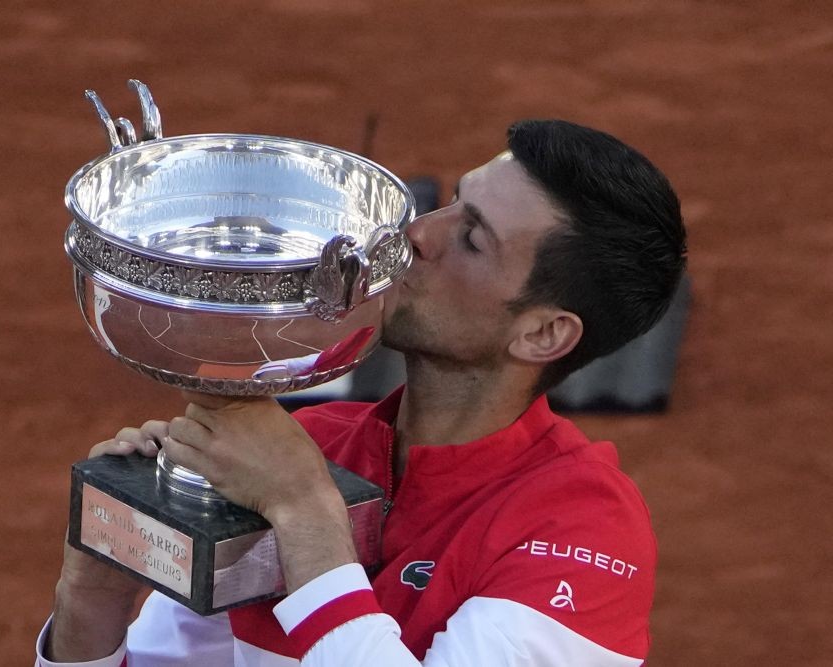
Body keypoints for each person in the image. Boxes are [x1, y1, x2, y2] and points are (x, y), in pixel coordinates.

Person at [36, 119, 687, 666]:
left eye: (471, 237)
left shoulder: (581, 532)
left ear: (543, 333)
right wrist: (93, 597)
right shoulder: (310, 447)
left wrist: (304, 512)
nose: (417, 234)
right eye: (453, 201)